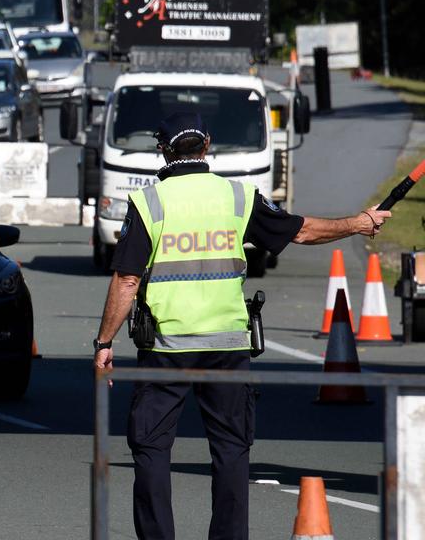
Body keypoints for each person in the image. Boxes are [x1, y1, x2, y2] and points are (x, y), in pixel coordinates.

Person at [91, 111, 392, 540]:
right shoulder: (238, 197)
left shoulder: (149, 202)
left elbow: (126, 279)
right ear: (207, 145)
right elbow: (301, 232)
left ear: (163, 150)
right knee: (231, 449)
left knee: (152, 447)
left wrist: (104, 342)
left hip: (166, 348)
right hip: (228, 343)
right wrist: (358, 224)